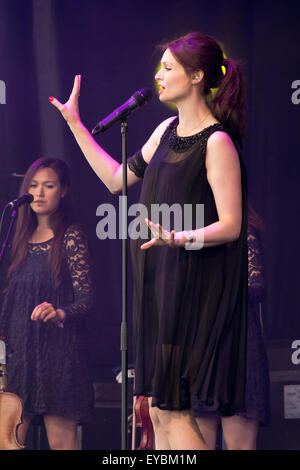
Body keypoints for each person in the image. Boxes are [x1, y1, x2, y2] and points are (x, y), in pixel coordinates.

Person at [49, 32, 248, 451]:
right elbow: (117, 179)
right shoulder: (164, 129)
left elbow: (231, 225)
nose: (159, 75)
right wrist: (76, 125)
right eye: (160, 67)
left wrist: (179, 236)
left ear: (196, 76)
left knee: (174, 410)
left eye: (169, 68)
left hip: (194, 287)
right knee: (158, 410)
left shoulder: (217, 142)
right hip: (159, 284)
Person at [0, 158, 94, 450]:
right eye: (33, 185)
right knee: (9, 441)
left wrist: (60, 312)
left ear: (63, 190)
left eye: (48, 186)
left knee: (62, 442)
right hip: (21, 358)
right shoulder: (18, 237)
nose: (39, 193)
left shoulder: (70, 236)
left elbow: (87, 300)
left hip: (59, 358)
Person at [193, 203, 271, 449]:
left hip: (238, 346)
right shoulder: (193, 232)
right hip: (202, 348)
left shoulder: (243, 230)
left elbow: (256, 286)